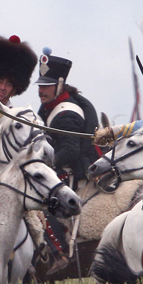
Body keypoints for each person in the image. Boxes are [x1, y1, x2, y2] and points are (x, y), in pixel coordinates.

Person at [36, 50, 101, 187]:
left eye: (46, 86)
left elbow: (70, 150)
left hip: (74, 177)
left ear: (59, 86)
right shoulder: (49, 108)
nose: (41, 91)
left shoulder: (66, 114)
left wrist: (44, 164)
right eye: (40, 86)